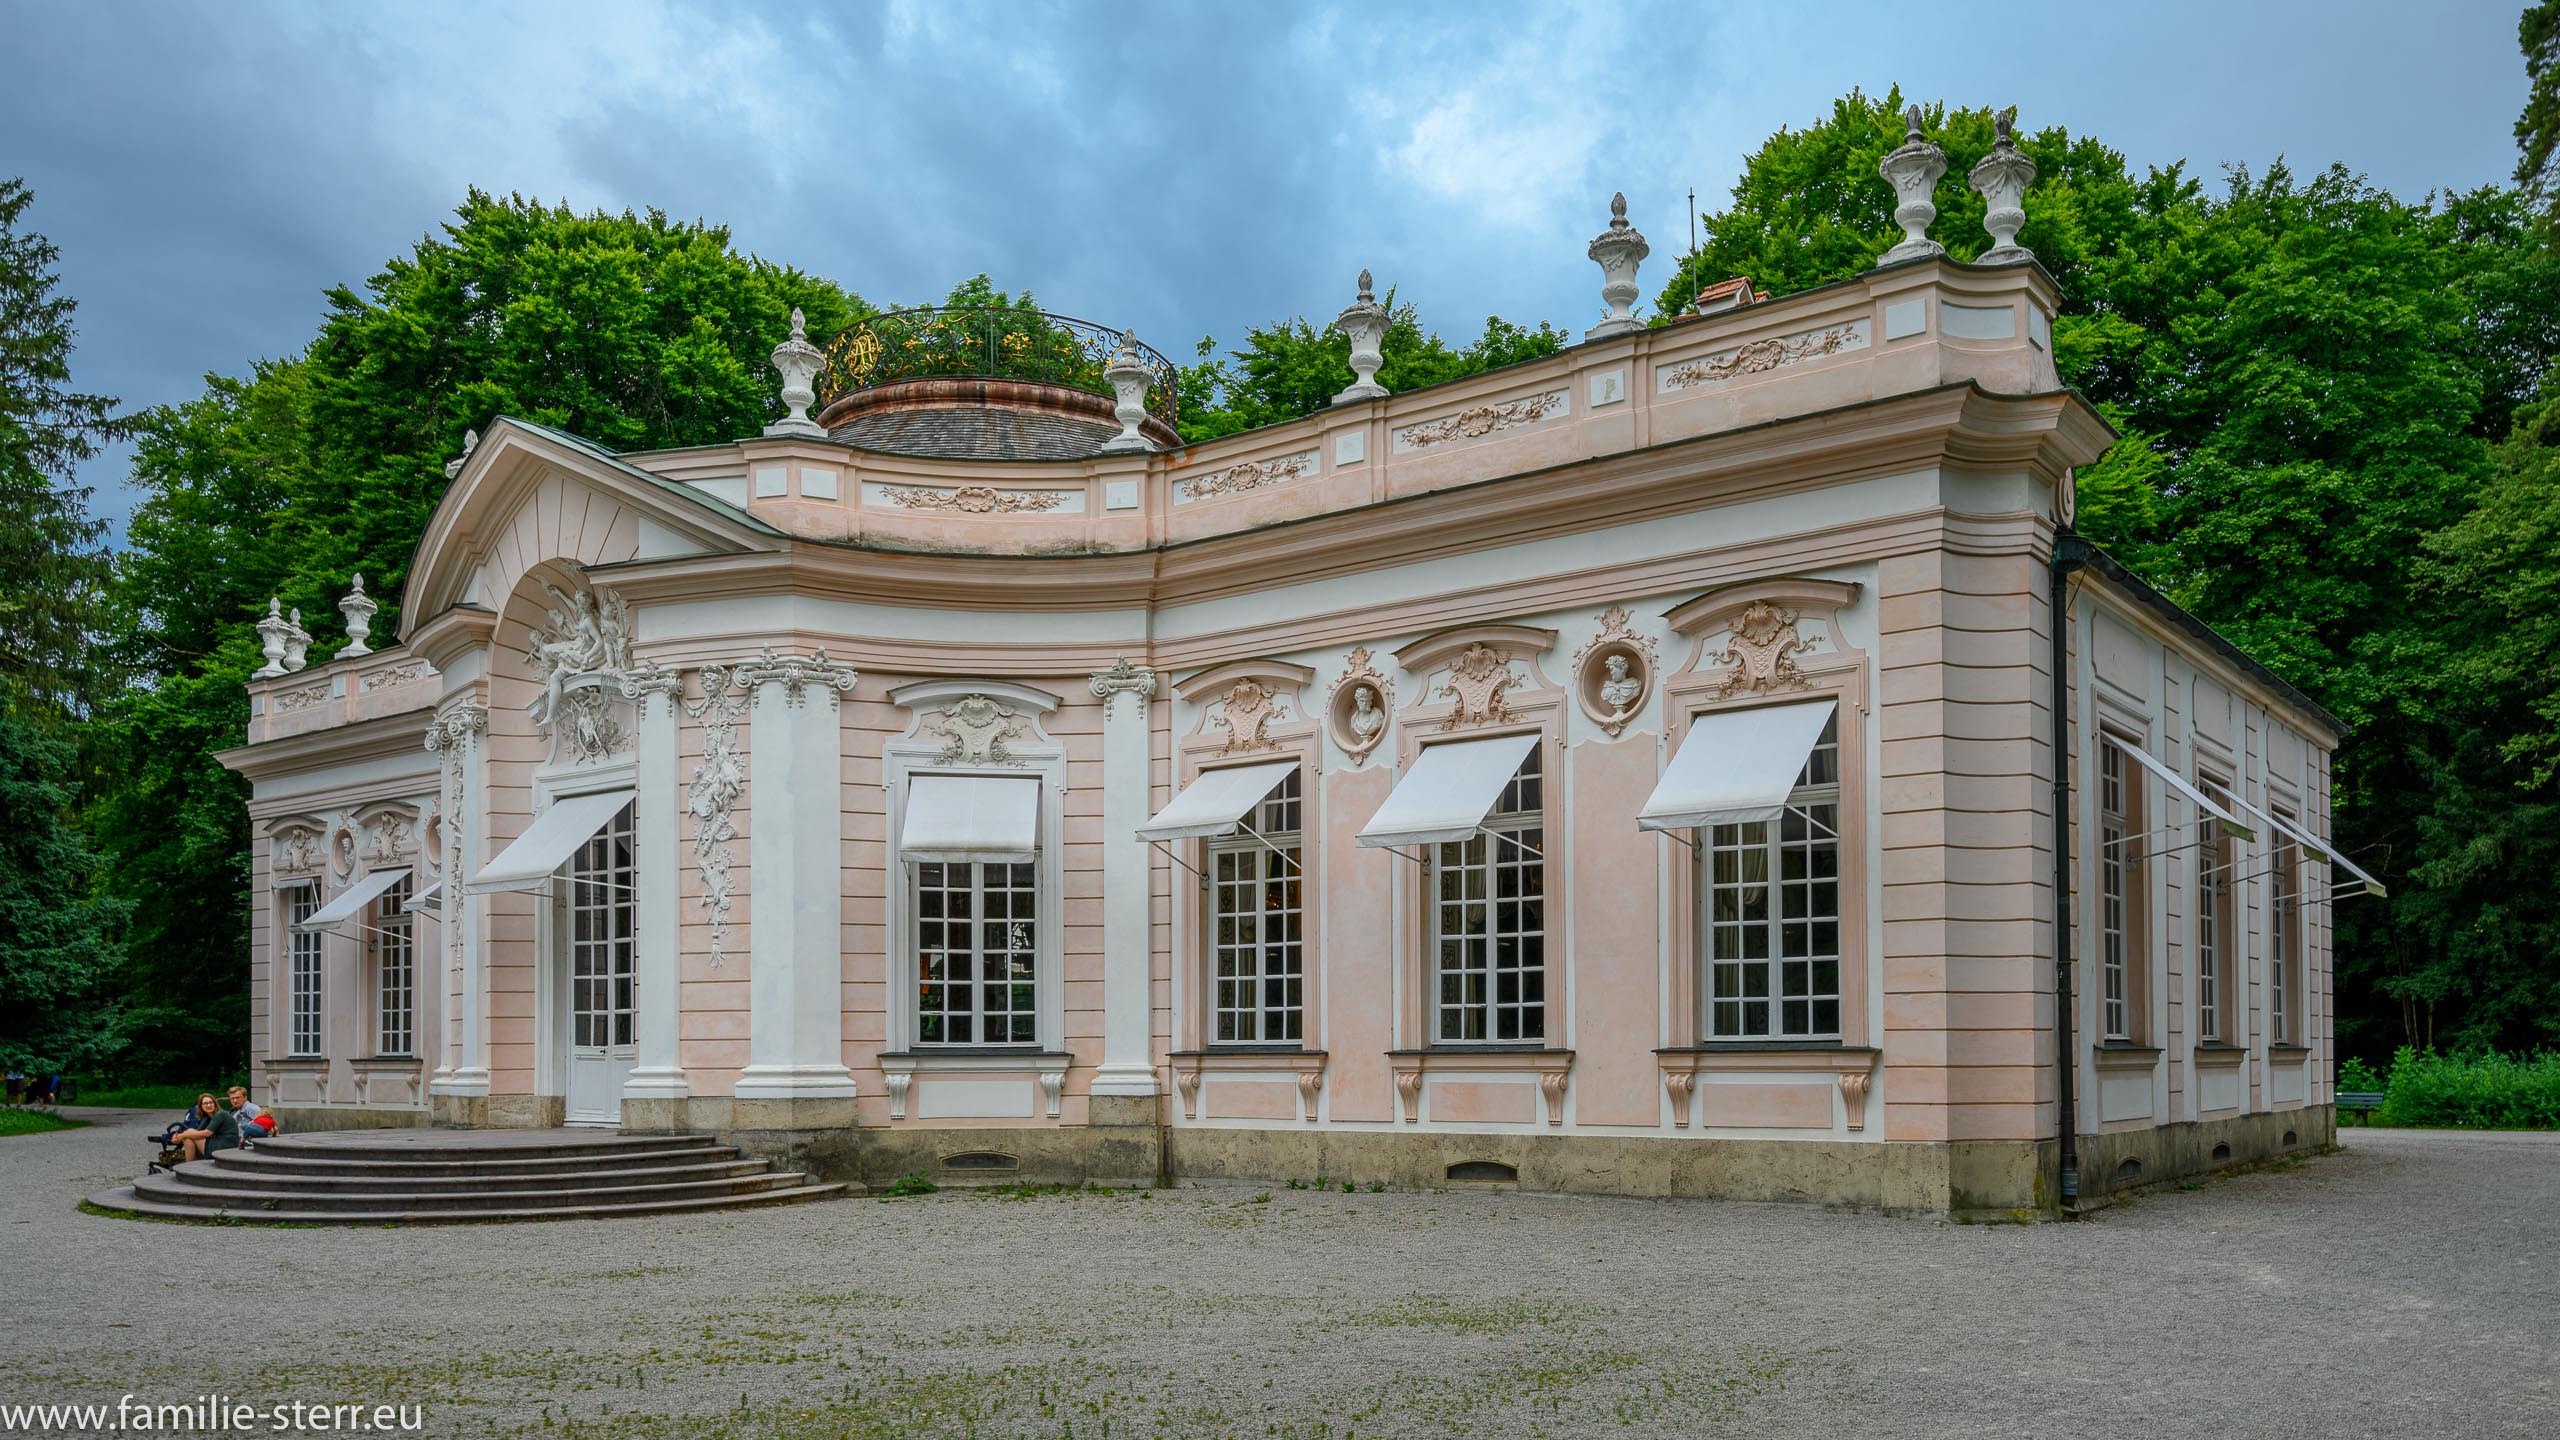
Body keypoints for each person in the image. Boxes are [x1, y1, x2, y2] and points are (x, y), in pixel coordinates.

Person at [168, 1093, 239, 1164]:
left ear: (215, 1104)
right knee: (189, 1136)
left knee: (188, 1136)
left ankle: (189, 1165)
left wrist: (181, 1136)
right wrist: (180, 1135)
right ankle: (191, 1164)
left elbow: (206, 1133)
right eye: (205, 1103)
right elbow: (196, 1132)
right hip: (217, 1143)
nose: (209, 1105)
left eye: (211, 1102)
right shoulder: (207, 1117)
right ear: (201, 1106)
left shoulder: (220, 1114)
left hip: (226, 1146)